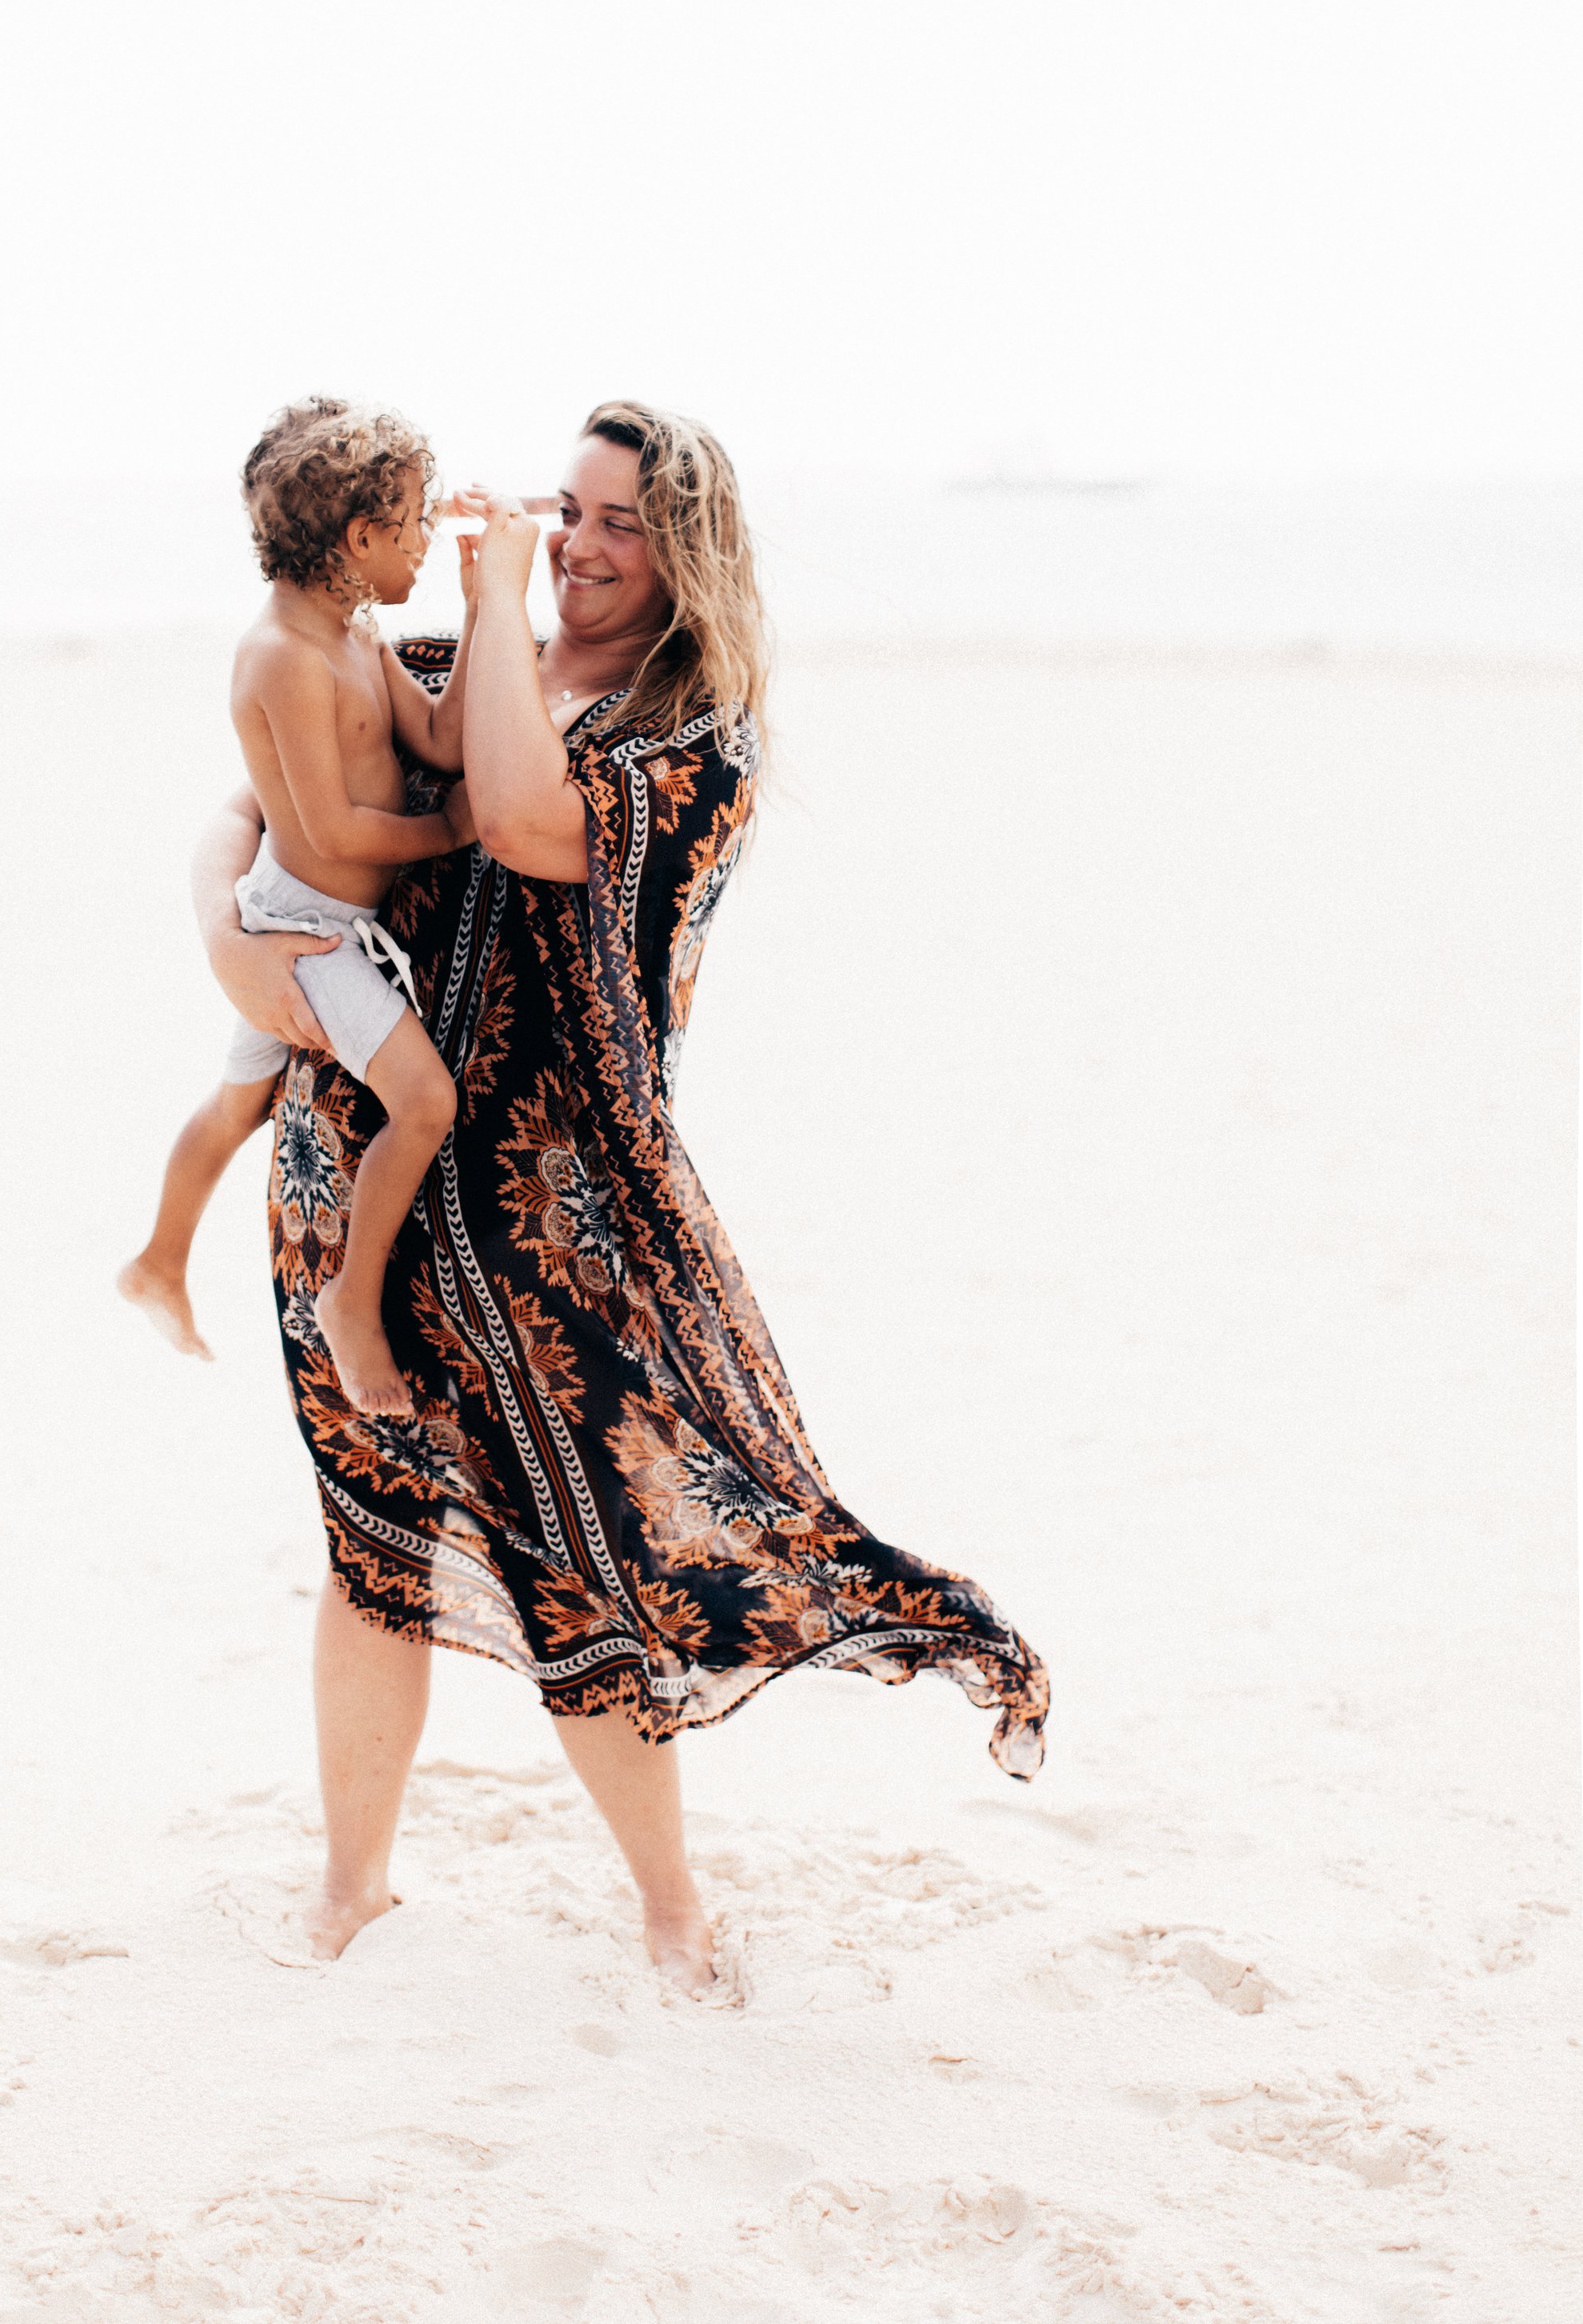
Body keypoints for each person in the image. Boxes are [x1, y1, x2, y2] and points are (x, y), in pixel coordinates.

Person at [196, 399, 1049, 1990]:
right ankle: (352, 1885)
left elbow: (521, 821)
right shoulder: (444, 665)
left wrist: (503, 609)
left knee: (573, 1555)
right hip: (359, 1179)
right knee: (370, 1538)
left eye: (613, 523)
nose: (575, 543)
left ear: (684, 556)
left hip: (554, 1217)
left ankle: (669, 1908)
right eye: (562, 509)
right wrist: (240, 951)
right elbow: (245, 830)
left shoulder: (692, 746)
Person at [118, 397, 472, 1412]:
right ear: (359, 539)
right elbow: (330, 834)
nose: (426, 541)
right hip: (302, 930)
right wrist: (449, 831)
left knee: (241, 1101)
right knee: (426, 1102)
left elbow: (442, 742)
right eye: (414, 523)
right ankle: (350, 1304)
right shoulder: (281, 654)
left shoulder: (354, 633)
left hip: (317, 919)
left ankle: (156, 1260)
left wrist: (489, 605)